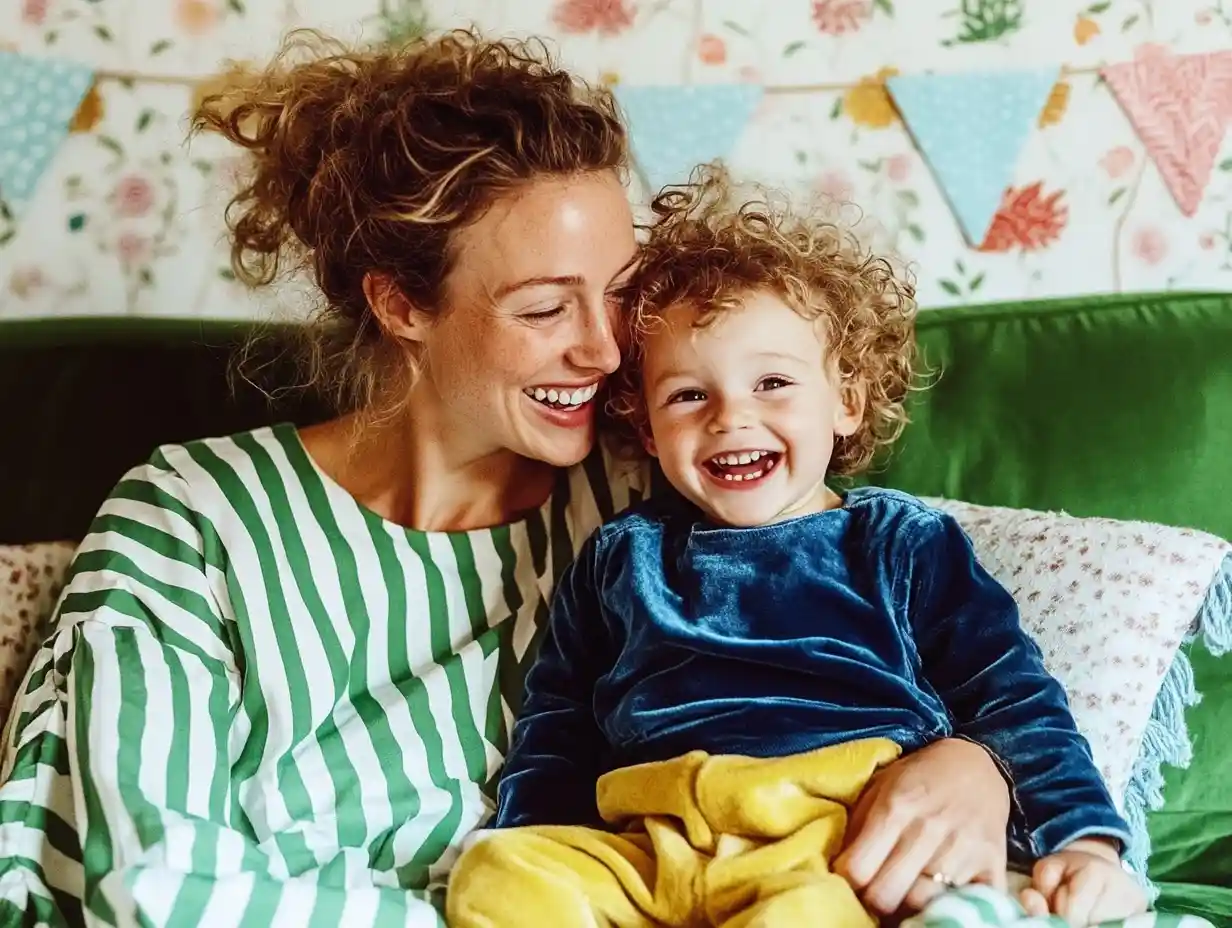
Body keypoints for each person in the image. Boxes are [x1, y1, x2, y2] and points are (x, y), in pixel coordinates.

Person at [0, 29, 1013, 928]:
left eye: (616, 300)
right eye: (541, 311)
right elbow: (147, 875)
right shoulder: (191, 517)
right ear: (400, 304)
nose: (603, 353)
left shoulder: (657, 487)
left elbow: (901, 609)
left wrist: (981, 765)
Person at [446, 167, 1148, 928]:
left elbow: (1012, 696)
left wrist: (1084, 842)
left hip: (828, 844)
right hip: (652, 845)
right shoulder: (622, 555)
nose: (729, 418)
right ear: (646, 429)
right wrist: (534, 830)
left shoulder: (899, 543)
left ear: (845, 401)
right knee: (497, 875)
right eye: (688, 395)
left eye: (772, 383)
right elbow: (559, 722)